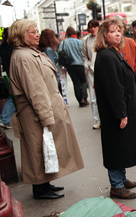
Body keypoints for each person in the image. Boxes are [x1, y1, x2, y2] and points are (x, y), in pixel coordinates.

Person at [8, 19, 84, 199]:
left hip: (42, 110)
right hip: (36, 114)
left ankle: (45, 184)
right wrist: (47, 117)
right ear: (20, 35)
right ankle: (41, 188)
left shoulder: (28, 54)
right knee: (39, 149)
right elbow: (36, 91)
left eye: (36, 31)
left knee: (44, 149)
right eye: (32, 31)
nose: (36, 34)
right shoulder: (24, 57)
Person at [93, 17, 136, 200]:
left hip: (121, 109)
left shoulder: (112, 52)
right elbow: (114, 88)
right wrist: (121, 114)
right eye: (112, 31)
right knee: (116, 147)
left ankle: (121, 178)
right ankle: (116, 185)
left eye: (119, 30)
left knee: (121, 146)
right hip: (115, 113)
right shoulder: (106, 56)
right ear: (104, 35)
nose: (118, 34)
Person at [59, 27, 89, 107]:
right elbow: (84, 53)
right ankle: (84, 98)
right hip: (80, 64)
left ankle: (79, 100)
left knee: (75, 83)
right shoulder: (80, 42)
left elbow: (60, 52)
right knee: (83, 81)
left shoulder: (63, 43)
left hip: (70, 66)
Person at [82, 19, 101, 130]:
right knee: (93, 98)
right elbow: (84, 55)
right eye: (90, 27)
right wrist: (88, 65)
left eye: (94, 26)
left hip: (102, 70)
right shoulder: (86, 41)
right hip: (91, 71)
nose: (92, 29)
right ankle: (97, 119)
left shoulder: (102, 38)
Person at [0, 28, 15, 129]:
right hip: (11, 73)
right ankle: (5, 119)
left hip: (6, 73)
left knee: (12, 96)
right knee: (13, 96)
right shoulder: (12, 47)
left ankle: (5, 118)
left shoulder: (2, 46)